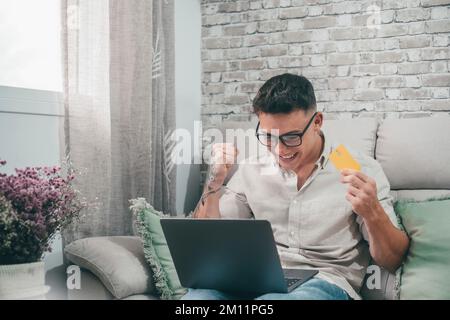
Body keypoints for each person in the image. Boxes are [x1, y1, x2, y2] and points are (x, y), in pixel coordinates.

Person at [183, 73, 409, 300]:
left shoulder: (357, 169)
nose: (280, 150)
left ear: (317, 122)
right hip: (257, 279)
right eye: (269, 136)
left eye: (291, 137)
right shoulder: (253, 168)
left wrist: (373, 212)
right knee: (196, 300)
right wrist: (214, 182)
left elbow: (392, 259)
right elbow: (207, 243)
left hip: (323, 282)